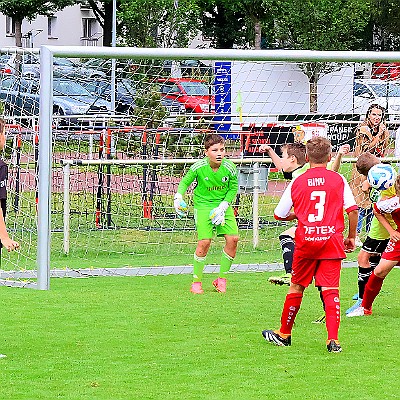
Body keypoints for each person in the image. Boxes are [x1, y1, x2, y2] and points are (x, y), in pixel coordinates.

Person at [261, 137, 358, 353]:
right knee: (331, 289)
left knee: (297, 286)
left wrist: (298, 215)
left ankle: (284, 334)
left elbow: (279, 214)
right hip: (331, 241)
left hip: (306, 241)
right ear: (330, 157)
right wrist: (351, 237)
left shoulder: (298, 181)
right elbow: (352, 210)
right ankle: (333, 341)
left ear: (306, 157)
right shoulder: (338, 179)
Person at [260, 142, 350, 286]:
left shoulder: (307, 170)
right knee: (288, 236)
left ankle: (292, 274)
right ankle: (295, 274)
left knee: (289, 237)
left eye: (283, 156)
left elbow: (333, 169)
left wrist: (339, 154)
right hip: (317, 222)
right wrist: (270, 151)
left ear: (293, 159)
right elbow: (282, 166)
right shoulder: (297, 172)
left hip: (319, 225)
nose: (281, 160)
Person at [174, 134, 239, 294]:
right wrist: (178, 196)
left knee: (233, 239)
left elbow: (233, 187)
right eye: (215, 150)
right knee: (205, 242)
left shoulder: (230, 167)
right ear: (206, 152)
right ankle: (196, 282)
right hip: (203, 206)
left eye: (222, 150)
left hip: (223, 206)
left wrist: (224, 206)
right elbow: (185, 182)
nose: (219, 153)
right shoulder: (198, 167)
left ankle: (221, 280)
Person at [346, 153, 397, 314]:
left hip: (381, 228)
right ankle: (367, 290)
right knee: (374, 258)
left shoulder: (382, 183)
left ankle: (363, 300)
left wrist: (368, 188)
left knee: (363, 258)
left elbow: (377, 208)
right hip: (387, 224)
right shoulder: (388, 173)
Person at [349, 104, 389, 247]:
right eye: (374, 115)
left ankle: (370, 233)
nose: (377, 118)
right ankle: (357, 234)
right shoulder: (362, 129)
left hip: (377, 170)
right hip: (362, 170)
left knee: (374, 201)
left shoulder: (384, 130)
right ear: (368, 116)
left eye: (379, 115)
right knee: (360, 203)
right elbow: (367, 149)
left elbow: (384, 148)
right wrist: (378, 135)